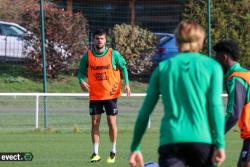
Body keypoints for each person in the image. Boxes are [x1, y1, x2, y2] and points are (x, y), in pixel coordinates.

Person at [128, 20, 226, 167]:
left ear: (177, 40)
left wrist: (135, 146)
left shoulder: (163, 68)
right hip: (202, 140)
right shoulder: (213, 67)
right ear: (201, 40)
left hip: (171, 140)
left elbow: (145, 111)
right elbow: (215, 107)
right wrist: (220, 144)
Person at [78, 28, 131, 163]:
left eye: (102, 38)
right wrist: (81, 81)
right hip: (95, 95)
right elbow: (80, 72)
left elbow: (124, 67)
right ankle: (95, 153)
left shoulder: (113, 54)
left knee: (111, 123)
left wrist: (127, 84)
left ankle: (113, 151)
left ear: (105, 40)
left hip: (111, 94)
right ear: (93, 40)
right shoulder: (88, 56)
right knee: (95, 123)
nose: (99, 40)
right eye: (97, 38)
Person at [213, 40, 250, 167]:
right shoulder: (245, 72)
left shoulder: (236, 78)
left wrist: (215, 135)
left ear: (224, 57)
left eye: (216, 57)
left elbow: (233, 114)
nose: (214, 62)